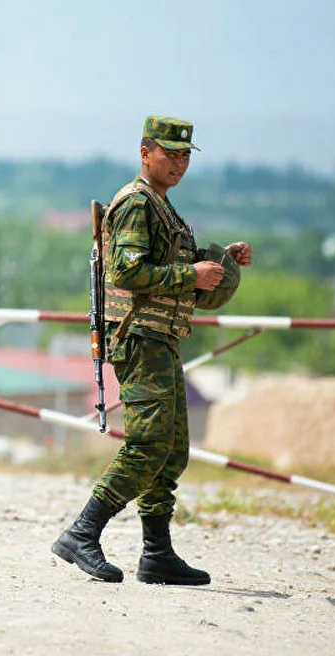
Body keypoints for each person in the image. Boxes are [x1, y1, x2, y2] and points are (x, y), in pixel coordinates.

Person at [51, 116, 252, 585]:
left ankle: (157, 553)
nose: (179, 163)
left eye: (185, 156)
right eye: (169, 154)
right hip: (139, 339)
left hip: (160, 338)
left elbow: (172, 268)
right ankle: (82, 533)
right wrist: (191, 275)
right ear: (145, 153)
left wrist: (219, 263)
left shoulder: (162, 206)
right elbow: (126, 271)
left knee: (171, 449)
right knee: (147, 445)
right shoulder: (136, 203)